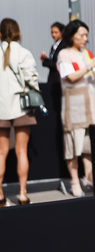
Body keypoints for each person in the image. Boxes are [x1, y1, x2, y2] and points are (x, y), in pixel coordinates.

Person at [57, 20, 95, 197]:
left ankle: (90, 178)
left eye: (86, 35)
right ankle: (74, 181)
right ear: (72, 36)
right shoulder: (64, 54)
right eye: (82, 35)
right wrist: (90, 65)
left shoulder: (87, 53)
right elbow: (70, 77)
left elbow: (93, 77)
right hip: (74, 108)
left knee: (89, 147)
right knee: (73, 146)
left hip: (90, 106)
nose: (85, 38)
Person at [0, 18, 39, 206]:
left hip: (1, 107)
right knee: (21, 151)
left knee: (1, 153)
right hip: (21, 107)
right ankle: (23, 193)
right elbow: (31, 79)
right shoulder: (24, 53)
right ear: (18, 33)